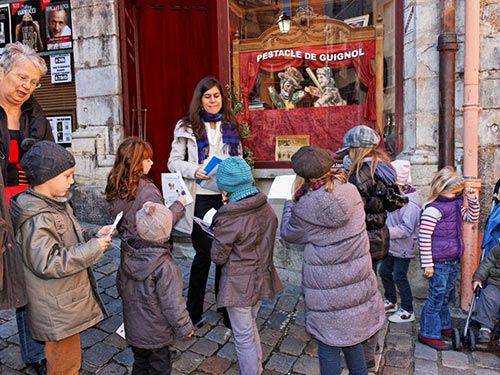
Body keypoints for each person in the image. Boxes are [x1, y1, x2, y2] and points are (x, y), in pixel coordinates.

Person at [10, 140, 112, 374]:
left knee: (67, 359)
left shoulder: (55, 204)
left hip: (62, 301)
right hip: (56, 307)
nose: (72, 181)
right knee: (65, 364)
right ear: (46, 178)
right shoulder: (38, 217)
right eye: (67, 176)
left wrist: (93, 234)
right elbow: (48, 262)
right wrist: (93, 249)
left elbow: (68, 234)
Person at [281, 146, 385, 375]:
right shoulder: (349, 191)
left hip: (326, 288)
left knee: (328, 344)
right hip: (356, 280)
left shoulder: (304, 206)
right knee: (352, 337)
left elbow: (289, 234)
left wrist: (289, 206)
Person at [105, 137, 194, 373]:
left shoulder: (117, 183)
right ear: (137, 162)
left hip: (130, 254)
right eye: (147, 159)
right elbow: (160, 224)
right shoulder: (147, 191)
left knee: (138, 301)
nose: (152, 162)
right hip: (151, 253)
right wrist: (178, 205)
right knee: (157, 298)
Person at [167, 76, 241, 328]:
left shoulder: (230, 125)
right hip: (198, 196)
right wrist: (194, 169)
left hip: (225, 197)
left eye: (216, 96)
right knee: (204, 255)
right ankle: (193, 311)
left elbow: (239, 160)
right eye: (207, 96)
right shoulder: (186, 126)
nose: (212, 101)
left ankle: (225, 308)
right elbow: (173, 162)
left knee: (226, 255)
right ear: (200, 99)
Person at [0, 42, 54, 374]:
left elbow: (49, 153)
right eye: (21, 77)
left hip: (27, 208)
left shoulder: (34, 111)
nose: (26, 87)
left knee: (29, 283)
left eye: (33, 82)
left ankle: (34, 354)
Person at [336, 125, 407, 367]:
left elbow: (353, 209)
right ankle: (369, 343)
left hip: (363, 240)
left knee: (361, 296)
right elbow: (392, 203)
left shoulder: (361, 173)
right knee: (369, 290)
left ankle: (364, 351)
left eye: (350, 150)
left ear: (357, 149)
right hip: (379, 239)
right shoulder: (383, 169)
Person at [211, 157, 283, 374]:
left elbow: (218, 256)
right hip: (262, 277)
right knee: (250, 325)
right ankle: (257, 365)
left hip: (239, 284)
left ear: (226, 187)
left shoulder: (230, 217)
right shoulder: (266, 208)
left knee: (242, 335)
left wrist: (214, 233)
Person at [418, 166, 480, 350]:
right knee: (436, 296)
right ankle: (428, 332)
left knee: (446, 295)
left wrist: (472, 199)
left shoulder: (455, 203)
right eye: (456, 191)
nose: (458, 194)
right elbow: (424, 237)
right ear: (443, 188)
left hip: (452, 258)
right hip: (438, 261)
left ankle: (443, 325)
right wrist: (428, 264)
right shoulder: (433, 209)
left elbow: (471, 217)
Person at [379, 160, 421, 323]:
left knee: (399, 276)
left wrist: (385, 232)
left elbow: (406, 229)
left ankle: (408, 309)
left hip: (403, 246)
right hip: (391, 244)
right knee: (384, 271)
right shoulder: (393, 196)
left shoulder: (411, 203)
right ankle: (391, 300)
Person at [473, 244, 500, 344]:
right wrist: (478, 278)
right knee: (489, 297)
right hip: (496, 283)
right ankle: (485, 329)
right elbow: (487, 263)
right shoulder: (497, 248)